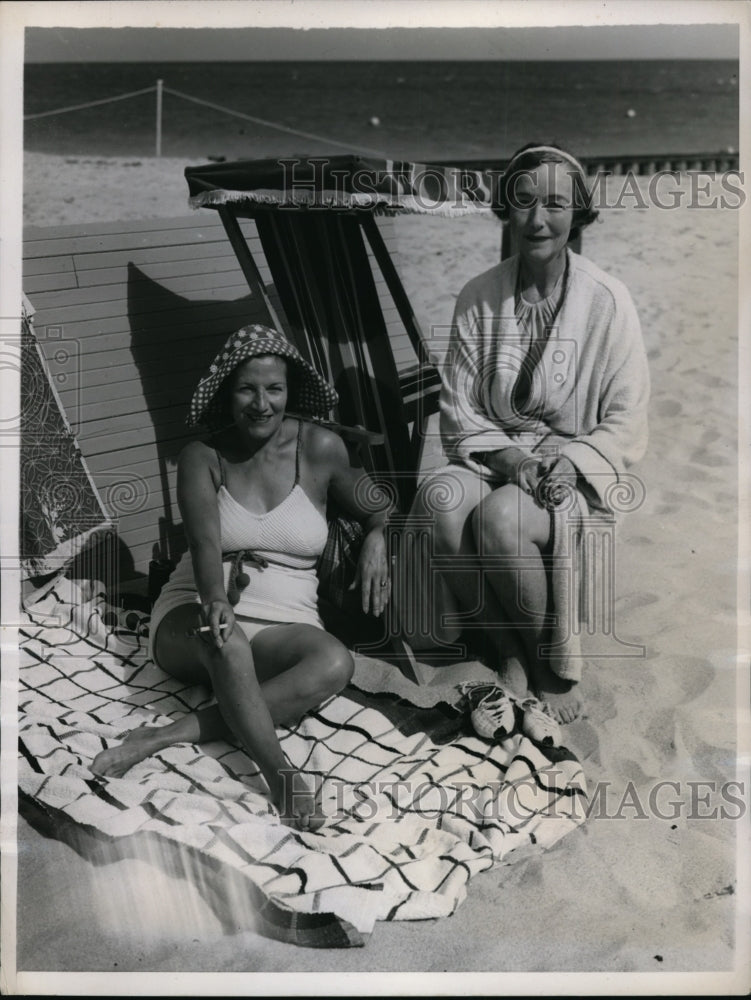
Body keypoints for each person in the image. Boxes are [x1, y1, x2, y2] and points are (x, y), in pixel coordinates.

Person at [92, 325, 392, 830]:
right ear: (228, 395)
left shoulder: (320, 449)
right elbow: (206, 544)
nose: (261, 403)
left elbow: (380, 507)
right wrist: (214, 601)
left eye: (273, 388)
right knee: (227, 642)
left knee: (333, 661)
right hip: (195, 609)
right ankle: (282, 780)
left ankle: (168, 734)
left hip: (285, 618)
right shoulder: (202, 457)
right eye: (246, 389)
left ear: (289, 392)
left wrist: (379, 537)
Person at [397, 143, 649, 724]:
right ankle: (506, 648)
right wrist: (512, 461)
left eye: (556, 204)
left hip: (571, 472)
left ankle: (547, 664)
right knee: (440, 499)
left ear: (578, 214)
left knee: (500, 520)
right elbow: (458, 412)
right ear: (506, 211)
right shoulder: (479, 296)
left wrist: (573, 459)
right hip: (495, 458)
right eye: (525, 202)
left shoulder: (608, 302)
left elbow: (628, 420)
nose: (539, 219)